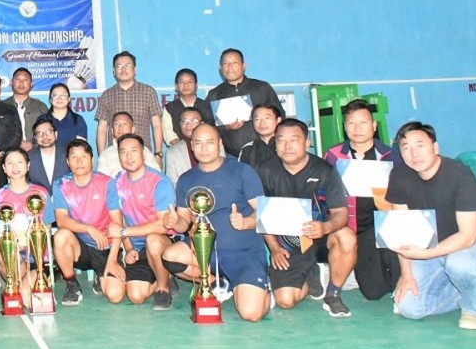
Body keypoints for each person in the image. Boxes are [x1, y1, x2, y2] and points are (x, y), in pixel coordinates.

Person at [160, 124, 271, 322]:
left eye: (209, 142)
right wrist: (175, 222)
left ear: (220, 143)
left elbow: (264, 212)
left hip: (243, 253)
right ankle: (216, 283)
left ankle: (263, 290)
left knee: (251, 314)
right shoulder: (186, 179)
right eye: (198, 143)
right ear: (192, 147)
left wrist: (246, 222)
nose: (204, 148)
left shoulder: (242, 171)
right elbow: (184, 223)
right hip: (206, 253)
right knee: (170, 256)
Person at [257, 119, 357, 318]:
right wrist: (274, 247)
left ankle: (333, 294)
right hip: (287, 243)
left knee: (346, 237)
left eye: (294, 140)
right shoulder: (264, 171)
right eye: (281, 140)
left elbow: (341, 213)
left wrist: (325, 227)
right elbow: (261, 213)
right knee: (286, 301)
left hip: (320, 237)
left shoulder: (325, 170)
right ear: (275, 144)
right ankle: (311, 276)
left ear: (307, 143)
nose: (287, 146)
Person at [387, 122, 476, 329]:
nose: (414, 153)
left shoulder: (460, 175)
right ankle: (466, 292)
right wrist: (406, 274)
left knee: (459, 264)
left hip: (464, 248)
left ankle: (473, 308)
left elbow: (468, 236)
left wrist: (427, 254)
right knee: (410, 308)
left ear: (435, 147)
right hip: (426, 248)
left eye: (420, 145)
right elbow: (401, 231)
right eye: (406, 147)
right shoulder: (399, 176)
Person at [323, 99, 403, 300]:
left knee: (396, 272)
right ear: (344, 127)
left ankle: (401, 283)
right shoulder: (333, 156)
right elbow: (323, 195)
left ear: (374, 126)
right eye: (351, 123)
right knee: (372, 292)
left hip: (381, 225)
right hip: (349, 228)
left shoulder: (391, 156)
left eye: (363, 122)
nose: (357, 128)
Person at [106, 134, 177, 309]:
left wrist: (124, 232)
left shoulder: (160, 182)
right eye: (123, 152)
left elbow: (163, 225)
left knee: (153, 240)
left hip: (162, 242)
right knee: (136, 296)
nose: (128, 157)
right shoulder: (117, 181)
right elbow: (120, 218)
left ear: (144, 154)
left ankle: (163, 287)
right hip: (137, 248)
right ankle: (164, 274)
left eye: (133, 151)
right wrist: (129, 247)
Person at [52, 139, 122, 306]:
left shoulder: (107, 183)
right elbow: (61, 220)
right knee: (61, 236)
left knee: (115, 296)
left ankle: (101, 275)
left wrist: (112, 260)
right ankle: (72, 284)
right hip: (80, 247)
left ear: (92, 159)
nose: (79, 161)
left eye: (84, 156)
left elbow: (117, 225)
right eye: (74, 157)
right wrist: (89, 229)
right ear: (68, 162)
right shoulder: (61, 185)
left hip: (105, 246)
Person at [0, 148, 54, 307]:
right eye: (10, 163)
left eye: (19, 162)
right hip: (12, 258)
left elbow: (47, 228)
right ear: (4, 168)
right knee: (3, 255)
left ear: (28, 165)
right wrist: (10, 248)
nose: (15, 167)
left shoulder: (41, 193)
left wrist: (31, 244)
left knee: (25, 299)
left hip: (37, 259)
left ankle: (26, 284)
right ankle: (16, 284)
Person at [206, 48, 283, 158]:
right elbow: (207, 126)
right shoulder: (214, 94)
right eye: (225, 63)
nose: (230, 67)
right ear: (220, 68)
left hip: (266, 153)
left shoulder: (261, 88)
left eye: (234, 63)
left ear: (243, 66)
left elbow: (280, 116)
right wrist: (226, 127)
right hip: (231, 156)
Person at [95, 52, 163, 165]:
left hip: (143, 153)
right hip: (115, 156)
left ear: (135, 69)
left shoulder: (148, 92)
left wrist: (158, 153)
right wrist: (102, 158)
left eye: (127, 65)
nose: (123, 69)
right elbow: (102, 128)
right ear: (114, 71)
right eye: (119, 66)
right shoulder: (106, 95)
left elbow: (157, 125)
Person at [96, 111, 161, 178]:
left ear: (133, 129)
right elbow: (101, 182)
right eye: (116, 124)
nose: (120, 127)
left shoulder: (145, 151)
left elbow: (157, 177)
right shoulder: (105, 155)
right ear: (112, 131)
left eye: (124, 124)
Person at [162, 68, 215, 146]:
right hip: (179, 150)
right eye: (182, 82)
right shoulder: (169, 108)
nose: (186, 85)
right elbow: (169, 135)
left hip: (205, 149)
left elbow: (214, 132)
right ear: (176, 86)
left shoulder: (207, 106)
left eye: (189, 82)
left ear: (196, 86)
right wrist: (185, 149)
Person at [3, 68, 48, 151]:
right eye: (18, 80)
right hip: (9, 153)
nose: (21, 83)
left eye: (25, 80)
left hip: (36, 152)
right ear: (11, 83)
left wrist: (33, 143)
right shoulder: (2, 106)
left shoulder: (40, 106)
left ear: (31, 83)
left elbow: (47, 132)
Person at [39, 83, 88, 151]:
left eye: (63, 95)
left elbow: (81, 148)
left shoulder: (78, 120)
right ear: (50, 100)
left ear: (69, 99)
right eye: (55, 95)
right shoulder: (42, 120)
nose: (59, 98)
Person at [28, 119, 69, 195]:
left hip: (66, 199)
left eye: (48, 132)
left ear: (56, 134)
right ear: (35, 138)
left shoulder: (68, 154)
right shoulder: (28, 158)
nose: (44, 136)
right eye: (40, 133)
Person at [164, 107, 204, 186]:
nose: (188, 124)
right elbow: (173, 184)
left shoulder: (215, 145)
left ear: (202, 123)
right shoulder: (172, 152)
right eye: (184, 121)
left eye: (193, 121)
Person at [237, 103, 283, 169]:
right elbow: (243, 173)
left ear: (278, 120)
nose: (262, 123)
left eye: (267, 118)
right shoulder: (247, 148)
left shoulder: (286, 144)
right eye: (257, 119)